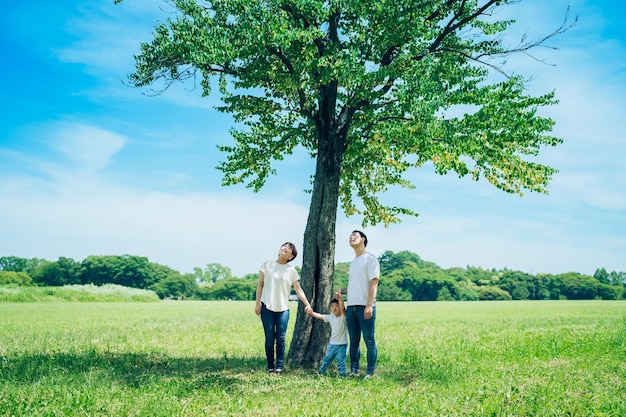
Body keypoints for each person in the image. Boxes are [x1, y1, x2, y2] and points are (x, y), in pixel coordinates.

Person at [255, 242, 312, 374]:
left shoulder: (291, 270)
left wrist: (307, 303)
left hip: (283, 309)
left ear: (291, 256)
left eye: (289, 248)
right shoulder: (267, 264)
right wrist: (257, 304)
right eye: (284, 246)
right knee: (269, 339)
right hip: (266, 307)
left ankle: (279, 367)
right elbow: (260, 285)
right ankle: (270, 367)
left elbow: (298, 289)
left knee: (281, 339)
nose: (285, 248)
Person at [341, 230, 380, 378]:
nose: (351, 237)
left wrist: (369, 305)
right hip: (351, 307)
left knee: (369, 340)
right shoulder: (353, 262)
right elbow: (354, 285)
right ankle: (354, 371)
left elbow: (373, 283)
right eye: (350, 236)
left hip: (365, 306)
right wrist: (342, 291)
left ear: (363, 239)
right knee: (354, 341)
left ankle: (370, 372)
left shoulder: (370, 259)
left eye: (355, 235)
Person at [306, 290, 348, 376]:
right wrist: (312, 313)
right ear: (330, 309)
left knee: (341, 360)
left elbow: (343, 309)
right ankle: (322, 371)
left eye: (337, 306)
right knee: (327, 358)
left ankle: (342, 374)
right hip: (332, 344)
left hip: (342, 344)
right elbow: (321, 316)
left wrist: (340, 298)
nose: (335, 308)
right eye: (332, 306)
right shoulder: (330, 317)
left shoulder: (343, 317)